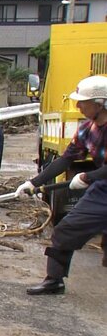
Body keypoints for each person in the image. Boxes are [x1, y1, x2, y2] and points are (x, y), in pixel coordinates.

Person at [16, 75, 107, 295]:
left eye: (82, 102)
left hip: (99, 181)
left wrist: (87, 177)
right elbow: (66, 159)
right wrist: (33, 183)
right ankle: (54, 280)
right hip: (102, 190)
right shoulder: (87, 129)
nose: (78, 106)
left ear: (99, 103)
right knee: (66, 229)